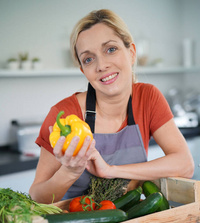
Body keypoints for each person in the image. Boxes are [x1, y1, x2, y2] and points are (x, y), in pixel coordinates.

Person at [29, 9, 194, 204]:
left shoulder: (148, 98)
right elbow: (37, 197)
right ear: (84, 71)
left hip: (127, 219)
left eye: (110, 49)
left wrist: (111, 171)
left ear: (131, 53)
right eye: (89, 59)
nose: (101, 65)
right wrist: (69, 172)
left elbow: (185, 165)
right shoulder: (64, 115)